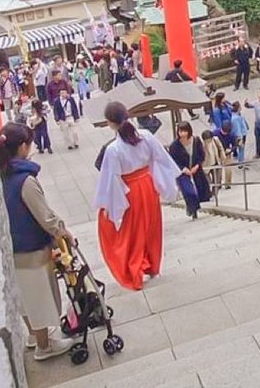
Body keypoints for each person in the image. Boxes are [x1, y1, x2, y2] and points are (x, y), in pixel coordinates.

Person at [0, 122, 76, 361]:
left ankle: (33, 336)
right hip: (31, 249)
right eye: (29, 143)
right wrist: (63, 231)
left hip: (12, 248)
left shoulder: (0, 174)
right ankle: (44, 345)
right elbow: (45, 217)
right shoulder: (25, 180)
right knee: (38, 296)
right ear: (22, 147)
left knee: (25, 297)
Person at [94, 101, 181, 291]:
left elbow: (111, 179)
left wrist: (110, 206)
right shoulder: (146, 136)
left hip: (130, 190)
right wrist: (164, 184)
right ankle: (152, 264)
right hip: (148, 185)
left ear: (110, 122)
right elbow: (161, 159)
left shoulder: (113, 149)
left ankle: (135, 269)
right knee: (151, 226)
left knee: (133, 232)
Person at [167, 121, 211, 219]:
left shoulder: (196, 140)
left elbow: (201, 154)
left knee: (200, 189)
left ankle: (193, 208)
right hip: (182, 171)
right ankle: (192, 208)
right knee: (188, 191)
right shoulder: (174, 146)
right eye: (180, 131)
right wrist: (183, 169)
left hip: (195, 167)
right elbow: (173, 160)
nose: (182, 134)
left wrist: (197, 165)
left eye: (184, 131)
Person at [201, 129, 226, 194]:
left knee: (216, 181)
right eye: (207, 140)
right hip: (206, 165)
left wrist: (223, 157)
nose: (208, 141)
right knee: (207, 181)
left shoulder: (215, 140)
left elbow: (220, 148)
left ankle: (214, 194)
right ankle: (209, 192)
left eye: (209, 139)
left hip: (216, 162)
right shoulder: (201, 144)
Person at [215, 121, 237, 189]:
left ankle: (228, 184)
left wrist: (231, 150)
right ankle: (218, 184)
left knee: (228, 169)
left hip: (227, 153)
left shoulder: (232, 135)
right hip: (218, 153)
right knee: (218, 170)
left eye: (226, 132)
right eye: (223, 131)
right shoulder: (215, 133)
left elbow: (235, 145)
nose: (224, 133)